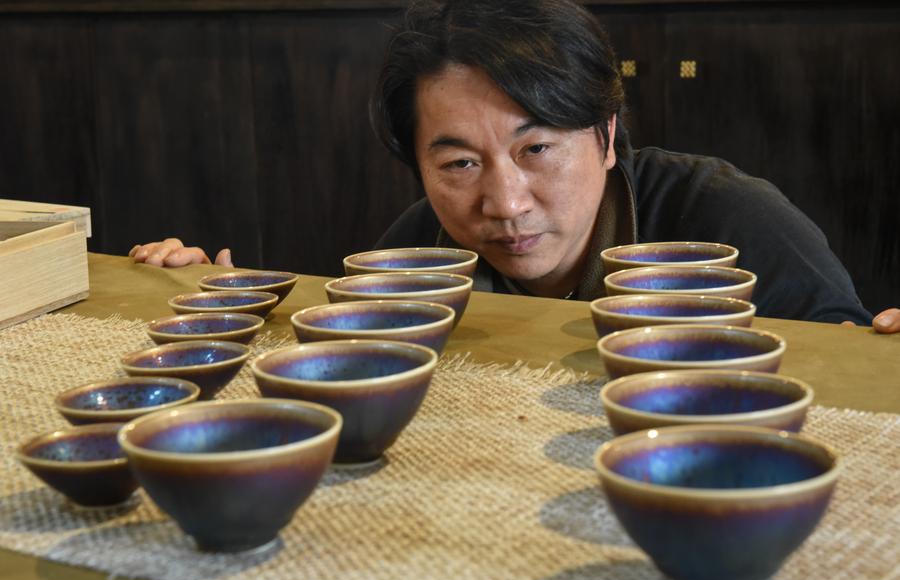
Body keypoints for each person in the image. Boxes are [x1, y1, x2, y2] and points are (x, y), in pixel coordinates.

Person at [130, 0, 900, 334]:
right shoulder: (417, 252)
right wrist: (209, 293)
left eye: (537, 149)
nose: (504, 201)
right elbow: (348, 355)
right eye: (460, 161)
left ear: (605, 135)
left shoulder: (730, 221)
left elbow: (847, 362)